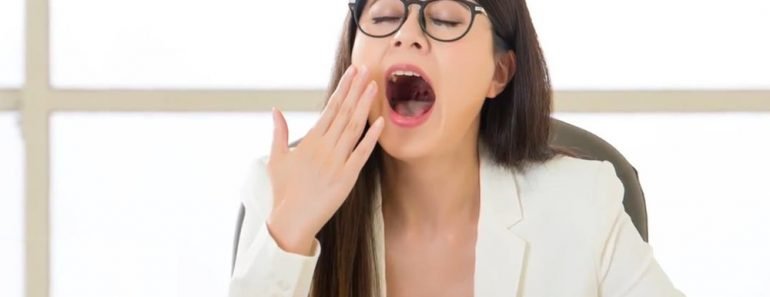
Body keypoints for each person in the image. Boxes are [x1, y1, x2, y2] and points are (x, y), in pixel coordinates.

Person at [229, 0, 685, 296]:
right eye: (384, 16)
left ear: (499, 73)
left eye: (445, 18)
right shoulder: (277, 193)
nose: (407, 34)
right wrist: (288, 234)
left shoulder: (581, 202)